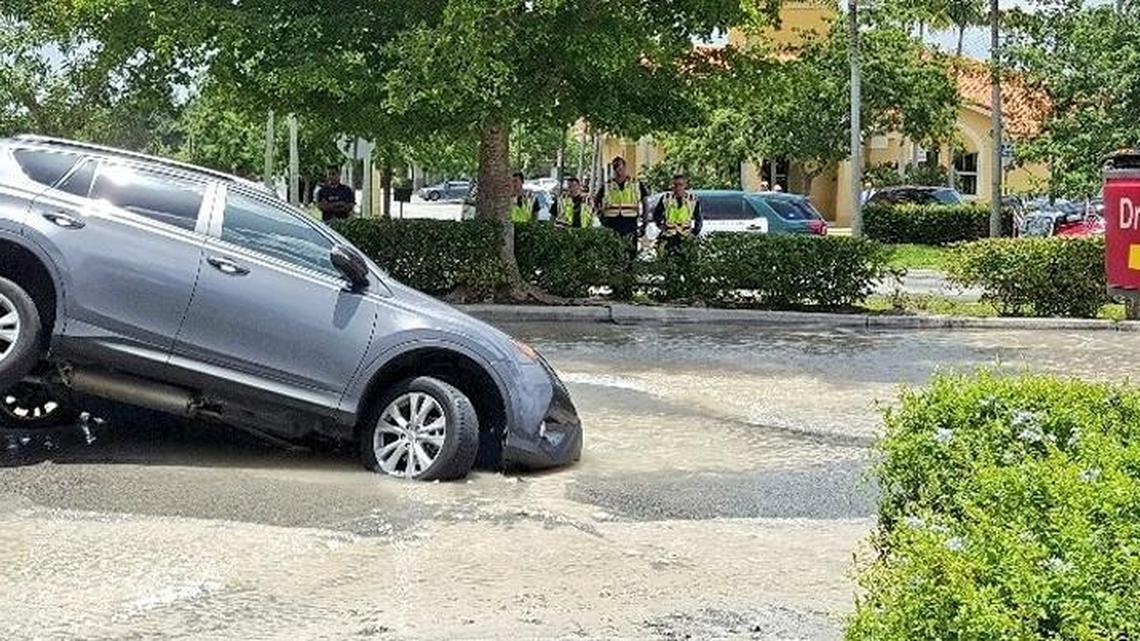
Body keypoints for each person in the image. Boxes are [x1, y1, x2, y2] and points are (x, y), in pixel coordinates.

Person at [652, 174, 703, 253]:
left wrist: (695, 232)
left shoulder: (692, 199)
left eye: (680, 185)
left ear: (685, 185)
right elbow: (656, 215)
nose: (678, 188)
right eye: (675, 185)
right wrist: (661, 226)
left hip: (685, 236)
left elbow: (698, 218)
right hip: (669, 236)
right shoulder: (666, 198)